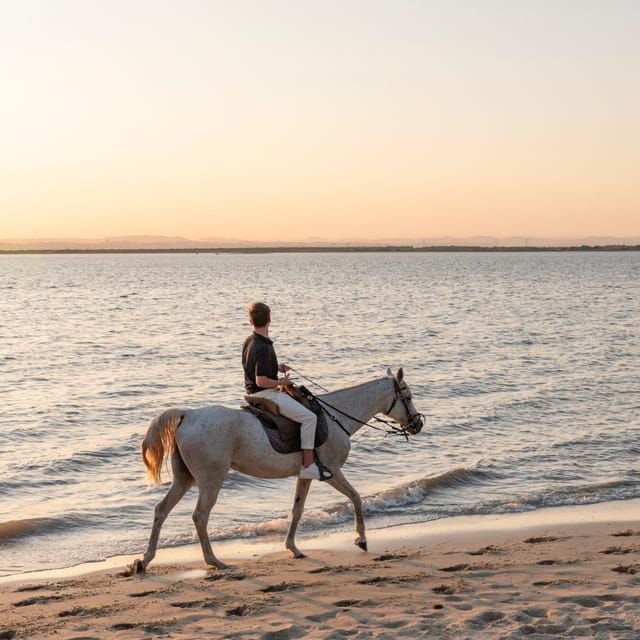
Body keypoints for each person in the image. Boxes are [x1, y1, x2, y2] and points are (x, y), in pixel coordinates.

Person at [242, 302, 323, 480]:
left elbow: (254, 367)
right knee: (310, 418)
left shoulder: (250, 340)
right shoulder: (264, 346)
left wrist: (275, 367)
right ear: (269, 320)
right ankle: (308, 465)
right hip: (264, 393)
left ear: (250, 321)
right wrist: (281, 381)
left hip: (251, 392)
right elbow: (261, 380)